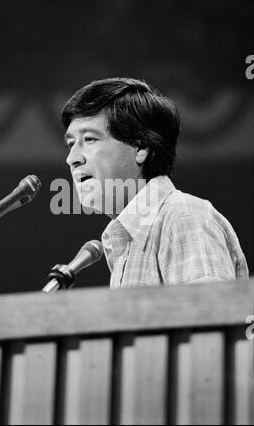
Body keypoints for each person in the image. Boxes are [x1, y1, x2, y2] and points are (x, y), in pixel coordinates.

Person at [61, 77, 249, 288]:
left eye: (89, 139)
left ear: (140, 147)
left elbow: (206, 316)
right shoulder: (128, 242)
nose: (72, 158)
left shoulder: (183, 217)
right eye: (71, 143)